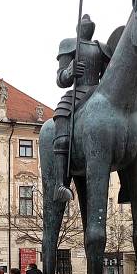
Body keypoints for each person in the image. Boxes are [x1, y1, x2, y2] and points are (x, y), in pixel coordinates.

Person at [51, 14, 111, 201]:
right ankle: (61, 184)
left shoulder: (102, 48)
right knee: (61, 116)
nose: (88, 25)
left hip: (100, 93)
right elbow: (60, 79)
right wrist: (70, 71)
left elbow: (110, 75)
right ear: (78, 28)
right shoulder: (69, 44)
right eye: (84, 24)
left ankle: (127, 183)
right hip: (77, 93)